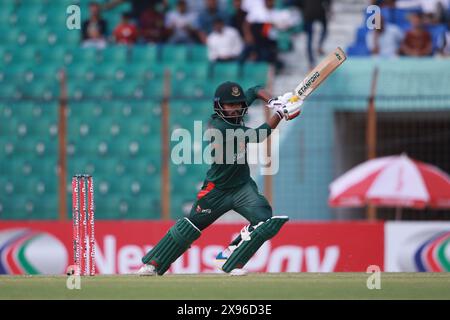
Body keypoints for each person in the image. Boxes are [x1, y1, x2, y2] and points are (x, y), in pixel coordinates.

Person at [137, 81, 303, 276]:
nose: (234, 109)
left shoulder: (236, 111)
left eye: (238, 105)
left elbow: (254, 90)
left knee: (264, 221)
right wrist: (280, 113)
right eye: (229, 105)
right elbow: (258, 136)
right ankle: (153, 264)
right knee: (189, 227)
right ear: (219, 106)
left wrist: (273, 101)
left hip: (242, 187)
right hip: (216, 190)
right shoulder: (220, 127)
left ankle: (229, 257)